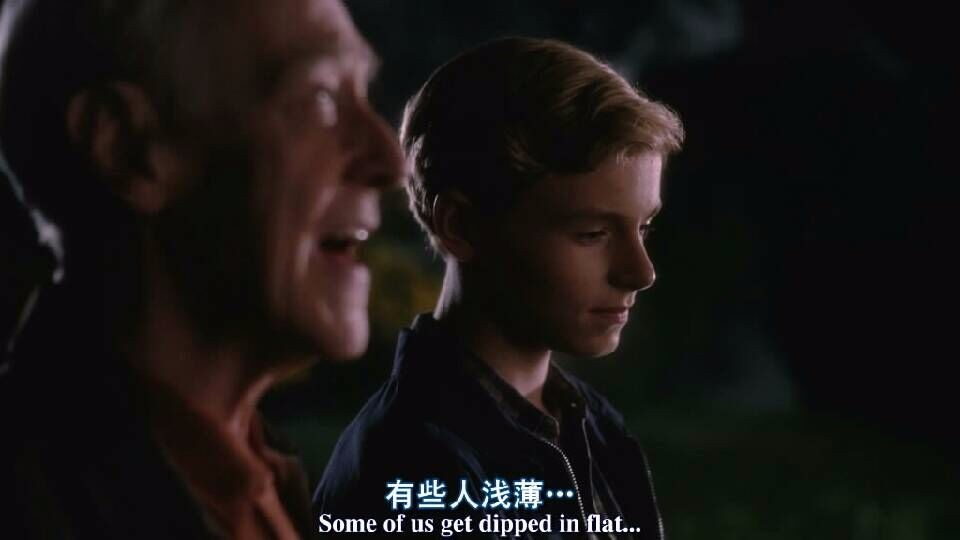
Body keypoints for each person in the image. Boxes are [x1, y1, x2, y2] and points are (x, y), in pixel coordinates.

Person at [0, 0, 404, 537]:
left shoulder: (264, 481)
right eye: (321, 95)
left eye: (364, 92)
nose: (392, 162)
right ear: (125, 146)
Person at [314, 37, 684, 539]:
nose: (640, 272)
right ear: (461, 226)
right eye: (592, 233)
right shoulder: (410, 465)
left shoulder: (593, 425)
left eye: (643, 228)